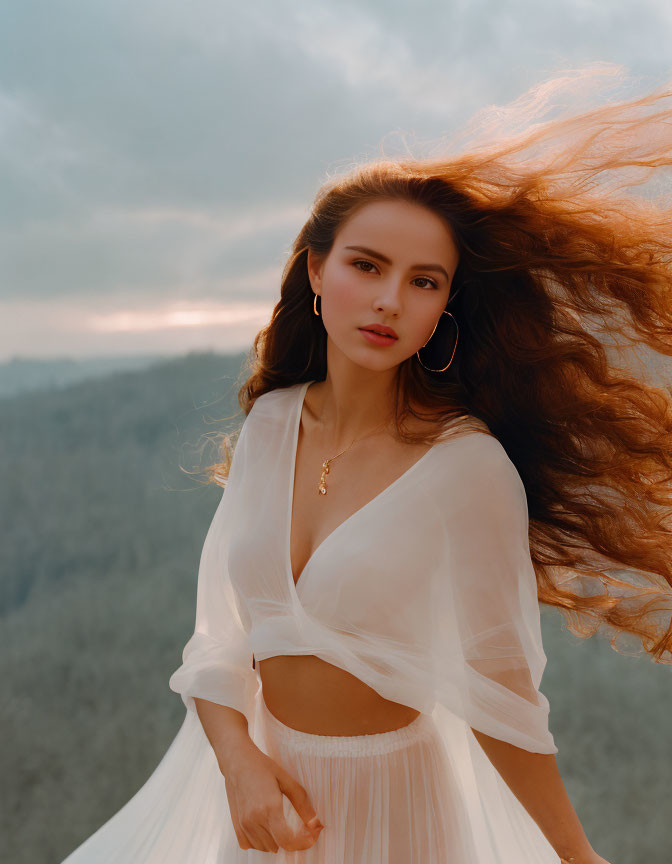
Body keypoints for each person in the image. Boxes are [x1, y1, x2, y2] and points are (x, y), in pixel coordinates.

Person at [61, 69, 671, 863]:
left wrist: (577, 858)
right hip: (260, 807)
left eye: (424, 282)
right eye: (367, 266)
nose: (389, 301)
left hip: (401, 815)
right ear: (316, 271)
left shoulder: (467, 467)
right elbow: (219, 643)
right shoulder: (273, 425)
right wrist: (240, 764)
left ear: (443, 308)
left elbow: (506, 697)